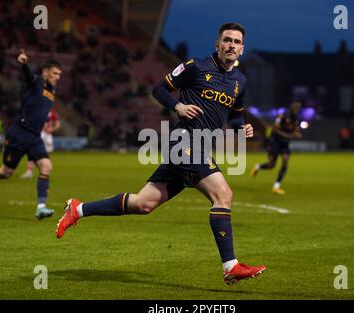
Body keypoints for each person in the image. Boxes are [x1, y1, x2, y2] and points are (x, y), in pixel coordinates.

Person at [56, 22, 266, 285]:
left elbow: (235, 115)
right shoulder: (195, 67)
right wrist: (178, 105)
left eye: (236, 42)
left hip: (201, 145)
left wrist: (242, 127)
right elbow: (158, 88)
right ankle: (230, 266)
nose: (231, 45)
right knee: (223, 195)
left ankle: (78, 209)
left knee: (143, 204)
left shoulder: (240, 81)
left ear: (242, 49)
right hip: (184, 141)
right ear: (218, 44)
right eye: (227, 40)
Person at [0, 49, 62, 219]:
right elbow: (29, 77)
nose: (58, 77)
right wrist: (24, 64)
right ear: (46, 72)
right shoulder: (37, 83)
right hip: (19, 133)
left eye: (59, 74)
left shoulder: (52, 91)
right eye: (55, 73)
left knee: (46, 166)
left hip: (34, 137)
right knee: (6, 172)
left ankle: (41, 207)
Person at [250, 101, 302, 195]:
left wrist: (297, 135)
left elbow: (296, 131)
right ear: (291, 107)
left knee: (285, 162)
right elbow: (275, 128)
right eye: (295, 107)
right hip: (274, 142)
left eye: (298, 107)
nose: (296, 109)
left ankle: (276, 186)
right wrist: (288, 136)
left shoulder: (296, 119)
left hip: (284, 144)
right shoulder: (282, 116)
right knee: (271, 165)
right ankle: (258, 166)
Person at [20, 108, 61, 179]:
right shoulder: (37, 111)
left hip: (48, 135)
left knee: (47, 153)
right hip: (38, 133)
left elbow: (58, 124)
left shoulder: (52, 113)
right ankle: (29, 171)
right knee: (33, 152)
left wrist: (52, 129)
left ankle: (44, 171)